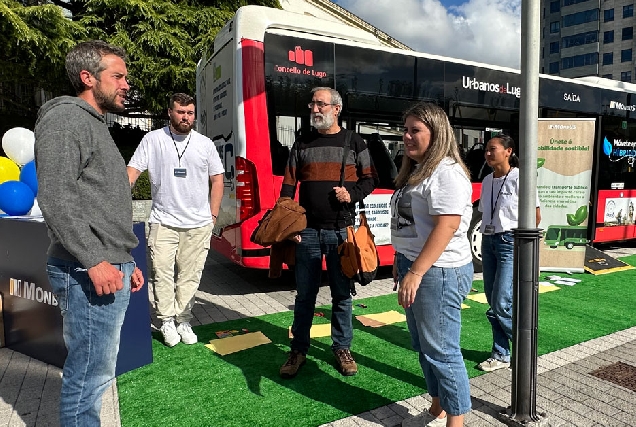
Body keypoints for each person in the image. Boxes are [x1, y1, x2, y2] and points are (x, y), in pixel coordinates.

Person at [34, 40, 145, 426]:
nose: (126, 84)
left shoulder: (91, 122)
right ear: (88, 77)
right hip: (85, 269)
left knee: (96, 369)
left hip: (104, 262)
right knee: (88, 373)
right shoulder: (67, 119)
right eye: (118, 76)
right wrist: (96, 260)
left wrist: (124, 258)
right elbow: (56, 198)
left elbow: (96, 201)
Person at [278, 87, 378, 378]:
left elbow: (371, 179)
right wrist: (288, 224)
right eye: (312, 104)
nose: (314, 109)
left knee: (342, 295)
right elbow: (288, 184)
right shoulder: (302, 141)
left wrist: (352, 194)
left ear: (336, 109)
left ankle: (342, 348)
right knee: (304, 296)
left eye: (320, 104)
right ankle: (298, 349)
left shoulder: (354, 141)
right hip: (306, 232)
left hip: (341, 232)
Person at [390, 102, 473, 427]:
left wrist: (416, 271)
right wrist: (402, 259)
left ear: (436, 133)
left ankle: (457, 421)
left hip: (438, 272)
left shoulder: (446, 172)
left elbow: (446, 226)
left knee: (442, 351)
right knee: (424, 345)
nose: (407, 136)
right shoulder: (418, 169)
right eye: (406, 129)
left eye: (415, 130)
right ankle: (438, 408)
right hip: (418, 265)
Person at [127, 93, 224, 347]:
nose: (186, 117)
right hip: (163, 222)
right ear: (170, 112)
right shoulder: (153, 140)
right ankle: (166, 320)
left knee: (190, 276)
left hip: (198, 223)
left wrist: (212, 216)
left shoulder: (204, 144)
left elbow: (217, 180)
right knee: (161, 273)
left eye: (190, 113)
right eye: (181, 112)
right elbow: (133, 171)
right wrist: (118, 194)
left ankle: (183, 319)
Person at [477, 134, 541, 372]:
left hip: (508, 241)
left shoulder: (520, 178)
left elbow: (535, 215)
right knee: (493, 300)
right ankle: (501, 354)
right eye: (486, 149)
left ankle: (525, 348)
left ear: (508, 151)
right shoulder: (486, 181)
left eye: (493, 149)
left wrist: (525, 246)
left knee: (502, 301)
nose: (488, 153)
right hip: (488, 241)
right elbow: (485, 212)